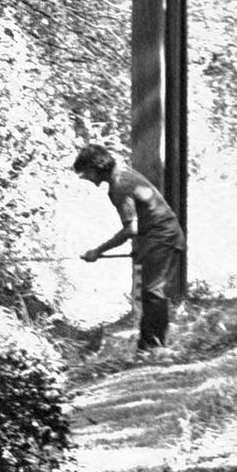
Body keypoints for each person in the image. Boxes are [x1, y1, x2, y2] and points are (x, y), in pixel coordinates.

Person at [72, 143, 185, 352]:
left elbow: (131, 229)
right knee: (150, 293)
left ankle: (156, 347)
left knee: (153, 292)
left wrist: (98, 251)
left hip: (163, 237)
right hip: (159, 236)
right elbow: (143, 219)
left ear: (97, 167)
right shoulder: (123, 172)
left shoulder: (119, 186)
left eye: (86, 172)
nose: (85, 178)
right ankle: (146, 346)